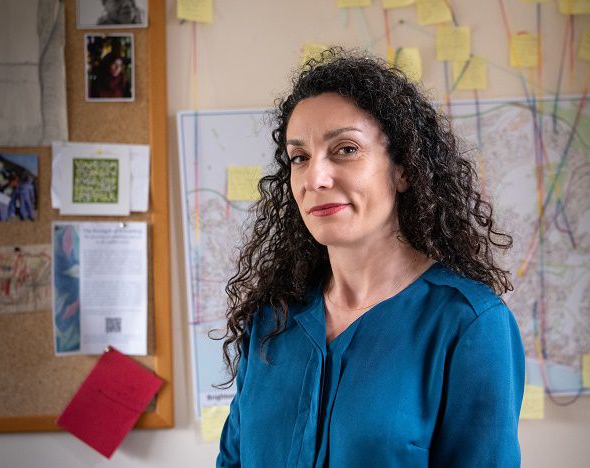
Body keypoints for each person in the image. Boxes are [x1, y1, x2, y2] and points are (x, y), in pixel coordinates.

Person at [217, 48, 525, 467]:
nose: (315, 179)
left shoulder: (469, 323)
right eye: (299, 158)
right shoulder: (273, 319)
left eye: (345, 149)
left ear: (403, 169)